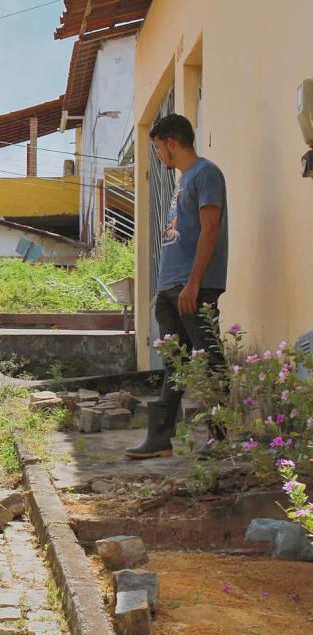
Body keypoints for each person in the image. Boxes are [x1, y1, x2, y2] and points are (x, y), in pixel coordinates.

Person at [127, 113, 229, 459]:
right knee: (177, 365)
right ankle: (159, 439)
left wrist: (194, 283)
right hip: (171, 286)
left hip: (193, 287)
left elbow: (210, 228)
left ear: (171, 142)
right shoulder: (183, 181)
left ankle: (220, 438)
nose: (157, 155)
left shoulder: (206, 174)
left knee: (211, 360)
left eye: (157, 147)